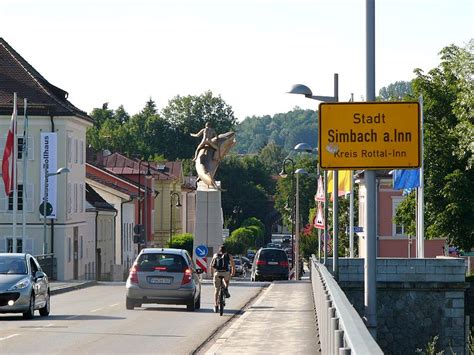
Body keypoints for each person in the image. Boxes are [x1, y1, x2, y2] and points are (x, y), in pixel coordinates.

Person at [210, 245, 235, 313]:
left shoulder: (215, 255)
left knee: (216, 289)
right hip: (225, 273)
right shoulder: (229, 255)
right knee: (227, 280)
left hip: (217, 273)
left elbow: (211, 266)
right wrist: (232, 273)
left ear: (219, 250)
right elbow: (233, 265)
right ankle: (226, 288)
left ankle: (216, 305)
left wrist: (212, 274)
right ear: (225, 250)